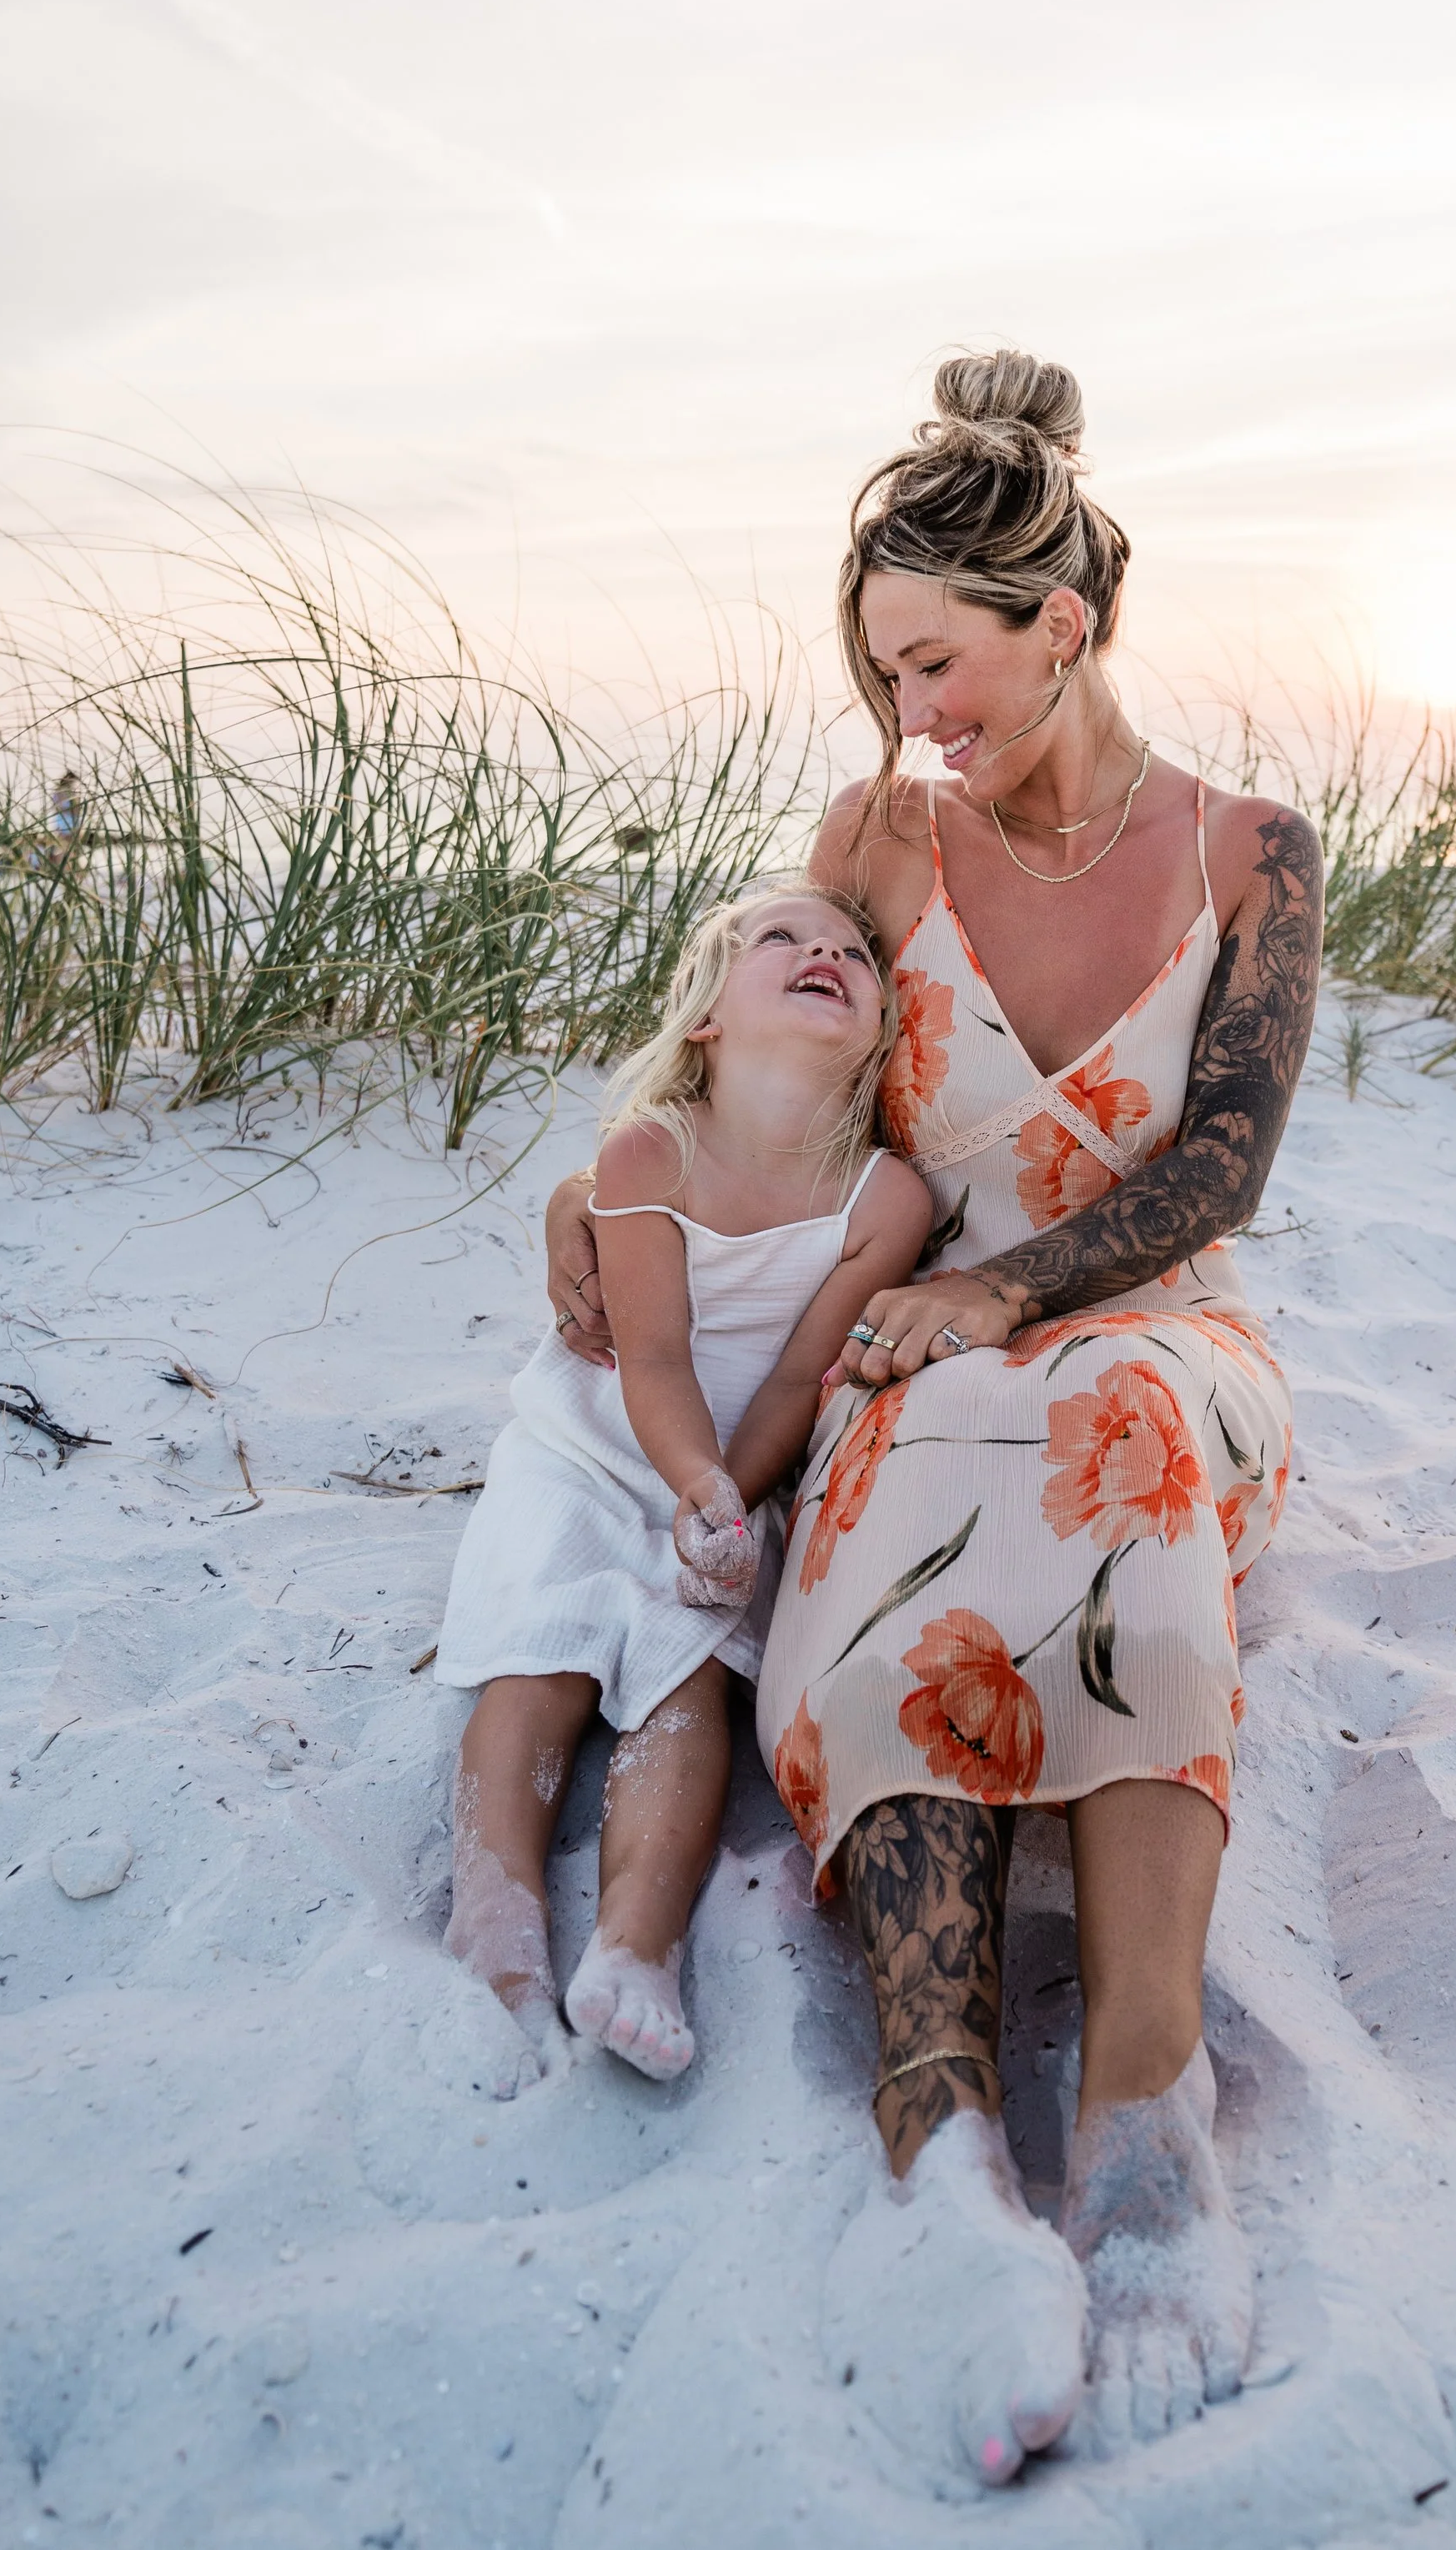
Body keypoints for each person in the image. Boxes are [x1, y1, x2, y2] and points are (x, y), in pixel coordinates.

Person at [547, 349, 1322, 2487]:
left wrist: (1010, 1288)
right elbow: (754, 1062)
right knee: (886, 1563)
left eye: (935, 662)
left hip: (1151, 1319)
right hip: (908, 1334)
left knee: (1128, 1445)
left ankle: (1150, 2118)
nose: (910, 711)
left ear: (1055, 623)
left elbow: (1221, 1168)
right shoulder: (880, 838)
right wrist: (600, 1171)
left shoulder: (1252, 850)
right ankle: (944, 2153)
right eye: (883, 670)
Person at [439, 885, 931, 2087]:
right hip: (597, 1437)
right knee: (540, 1652)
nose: (826, 952)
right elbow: (650, 1357)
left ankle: (635, 1944)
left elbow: (797, 1382)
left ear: (879, 1027)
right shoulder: (650, 1146)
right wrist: (690, 1473)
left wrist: (726, 1501)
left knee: (691, 1682)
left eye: (853, 952)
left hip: (736, 1467)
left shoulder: (886, 1197)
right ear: (707, 1015)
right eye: (784, 939)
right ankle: (494, 1904)